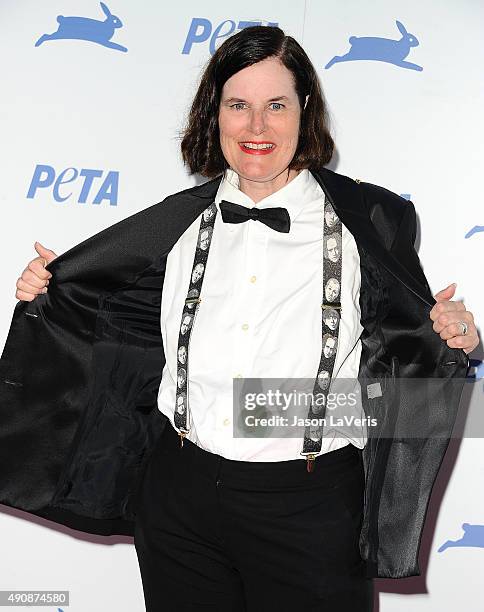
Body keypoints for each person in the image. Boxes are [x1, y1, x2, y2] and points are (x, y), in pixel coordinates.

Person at [3, 25, 478, 612]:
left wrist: (456, 336)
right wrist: (47, 293)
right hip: (179, 493)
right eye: (239, 106)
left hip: (311, 504)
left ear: (305, 111)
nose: (257, 127)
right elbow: (102, 324)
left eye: (276, 105)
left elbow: (409, 339)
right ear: (215, 116)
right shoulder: (171, 226)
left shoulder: (371, 219)